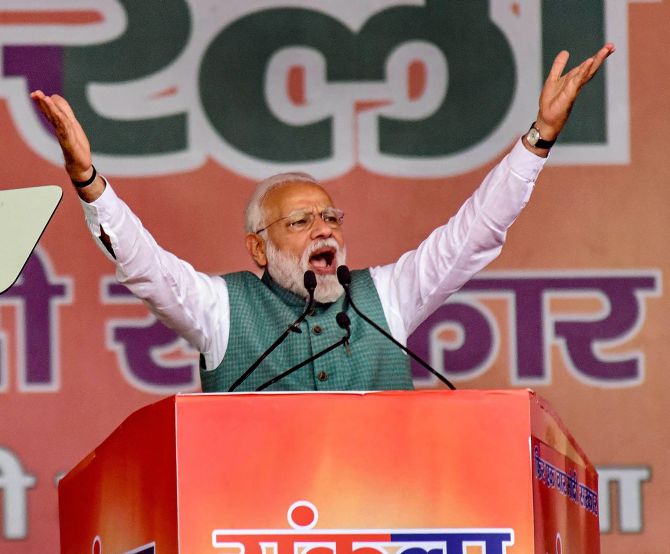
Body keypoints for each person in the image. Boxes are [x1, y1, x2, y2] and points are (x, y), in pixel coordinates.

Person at [30, 44, 615, 392]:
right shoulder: (219, 310)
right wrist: (89, 182)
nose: (325, 230)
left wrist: (537, 139)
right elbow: (146, 268)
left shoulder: (389, 296)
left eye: (330, 217)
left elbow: (475, 232)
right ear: (258, 248)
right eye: (301, 222)